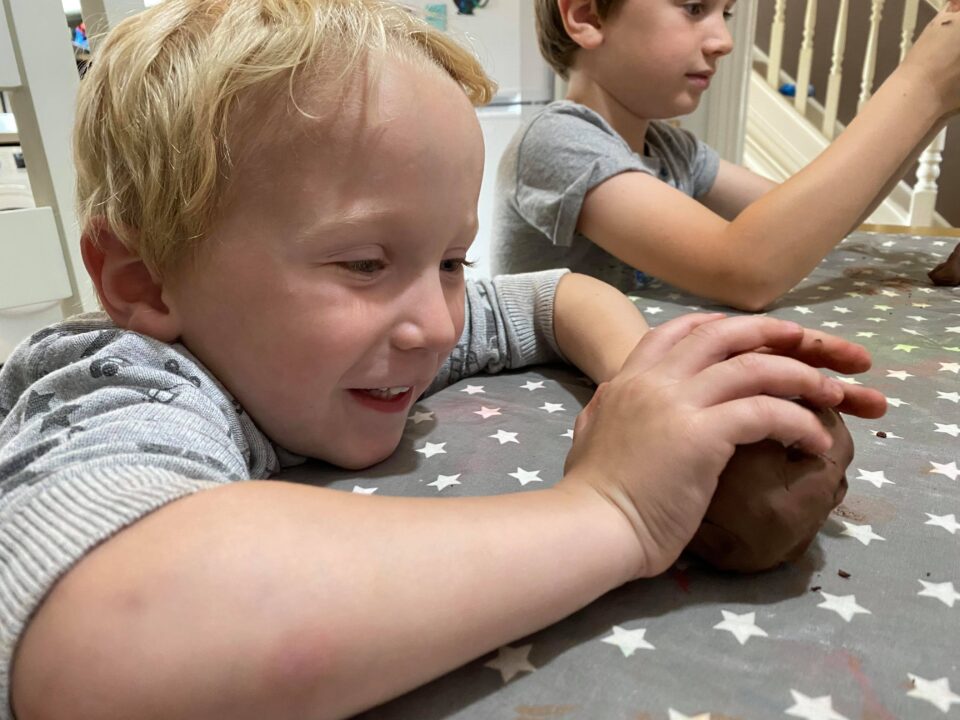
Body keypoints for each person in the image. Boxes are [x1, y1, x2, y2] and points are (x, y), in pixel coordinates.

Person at [0, 2, 885, 719]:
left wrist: (650, 380)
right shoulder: (121, 380)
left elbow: (552, 296)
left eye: (454, 261)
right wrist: (613, 509)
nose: (433, 323)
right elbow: (109, 645)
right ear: (145, 280)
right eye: (362, 263)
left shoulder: (368, 331)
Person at [491, 0, 960, 310]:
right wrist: (921, 86)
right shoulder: (556, 140)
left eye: (726, 14)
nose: (724, 41)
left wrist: (936, 108)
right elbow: (745, 270)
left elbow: (825, 219)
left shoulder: (672, 150)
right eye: (695, 7)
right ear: (588, 16)